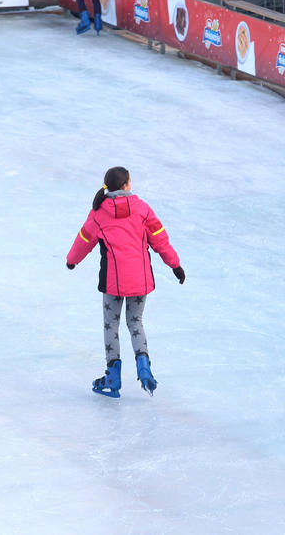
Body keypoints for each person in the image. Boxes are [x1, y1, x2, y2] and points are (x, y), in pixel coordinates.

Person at [66, 167, 185, 398]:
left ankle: (113, 376)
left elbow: (84, 239)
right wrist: (175, 265)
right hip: (140, 281)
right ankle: (144, 367)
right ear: (125, 186)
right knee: (135, 322)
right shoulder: (142, 209)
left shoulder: (99, 213)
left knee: (111, 325)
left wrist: (72, 261)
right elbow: (160, 240)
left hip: (113, 282)